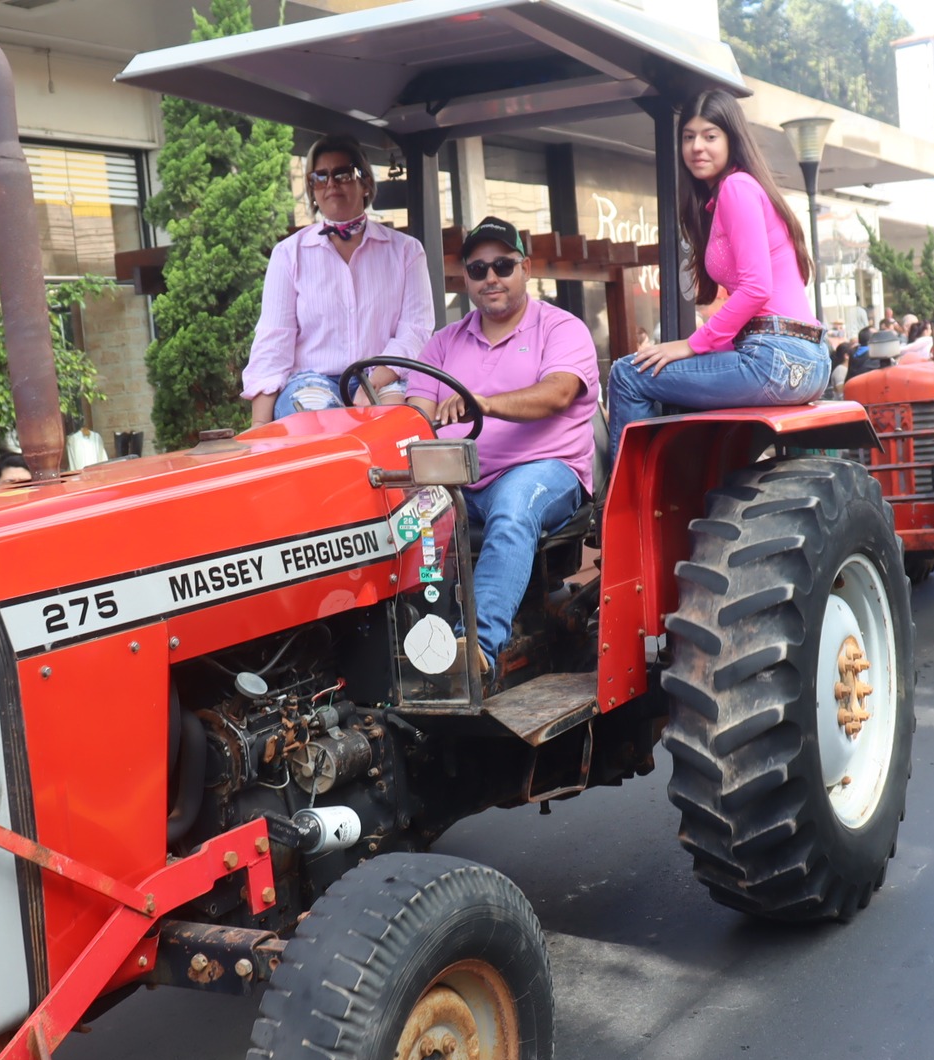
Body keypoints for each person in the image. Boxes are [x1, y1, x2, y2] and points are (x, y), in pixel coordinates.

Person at [406, 218, 600, 684]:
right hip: (458, 479)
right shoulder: (442, 343)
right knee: (400, 512)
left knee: (513, 508)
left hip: (544, 470)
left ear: (525, 269)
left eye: (502, 265)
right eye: (478, 268)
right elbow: (416, 416)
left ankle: (475, 651)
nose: (490, 277)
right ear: (465, 278)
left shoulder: (562, 329)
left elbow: (556, 393)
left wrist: (482, 404)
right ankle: (405, 643)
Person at [605, 89, 829, 454]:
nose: (697, 147)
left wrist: (692, 345)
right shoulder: (735, 194)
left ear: (731, 140)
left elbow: (757, 289)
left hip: (773, 357)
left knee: (629, 373)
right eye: (688, 137)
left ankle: (626, 507)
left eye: (710, 136)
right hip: (806, 359)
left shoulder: (736, 188)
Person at [243, 134, 434, 424]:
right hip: (311, 381)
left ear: (365, 182)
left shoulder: (407, 251)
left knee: (393, 427)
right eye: (319, 177)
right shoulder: (288, 254)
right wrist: (258, 427)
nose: (330, 183)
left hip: (384, 375)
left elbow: (416, 330)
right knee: (324, 428)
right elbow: (274, 340)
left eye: (342, 174)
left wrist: (376, 382)